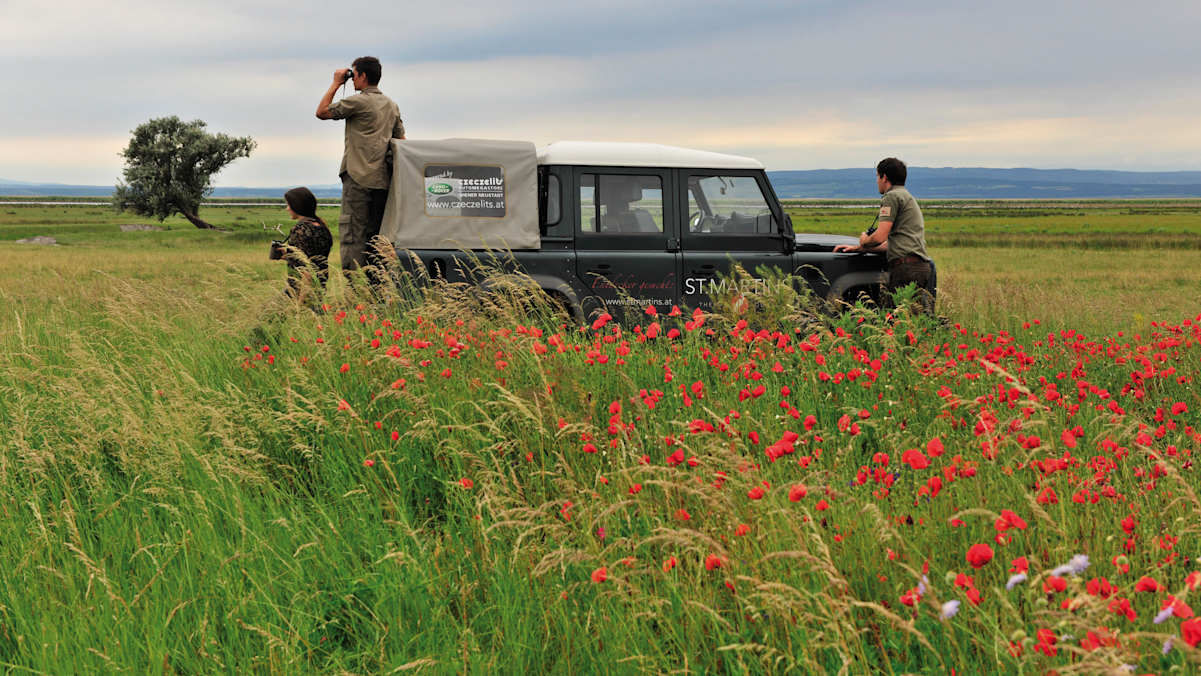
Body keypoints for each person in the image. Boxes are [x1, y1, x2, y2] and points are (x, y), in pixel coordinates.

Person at [315, 56, 405, 289]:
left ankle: (355, 291)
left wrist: (336, 82)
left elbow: (322, 111)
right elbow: (401, 141)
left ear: (363, 76)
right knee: (377, 237)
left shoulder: (359, 102)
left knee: (353, 235)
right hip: (382, 181)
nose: (352, 79)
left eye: (353, 74)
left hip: (357, 177)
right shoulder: (391, 105)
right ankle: (379, 287)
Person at [834, 158, 934, 314]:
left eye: (877, 176)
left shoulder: (892, 197)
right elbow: (892, 244)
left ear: (884, 177)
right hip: (918, 267)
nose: (877, 181)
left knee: (894, 320)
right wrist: (859, 249)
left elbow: (880, 236)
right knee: (910, 320)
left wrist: (864, 240)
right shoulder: (906, 196)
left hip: (905, 269)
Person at [274, 187, 332, 306]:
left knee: (267, 320)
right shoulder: (321, 227)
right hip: (320, 289)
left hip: (299, 290)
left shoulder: (300, 229)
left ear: (297, 206)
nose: (287, 209)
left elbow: (307, 269)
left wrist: (299, 305)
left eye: (289, 205)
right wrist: (289, 254)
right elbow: (312, 256)